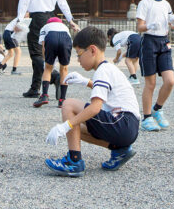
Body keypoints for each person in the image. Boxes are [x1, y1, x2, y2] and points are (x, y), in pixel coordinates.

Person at [43, 27, 140, 177]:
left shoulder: (102, 71)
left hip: (122, 122)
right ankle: (120, 150)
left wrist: (64, 126)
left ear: (92, 50)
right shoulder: (108, 68)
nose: (78, 59)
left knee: (69, 105)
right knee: (75, 129)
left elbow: (95, 108)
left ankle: (74, 162)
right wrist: (85, 82)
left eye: (79, 54)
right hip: (127, 126)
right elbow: (107, 92)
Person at [16, 0, 80, 100]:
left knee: (36, 53)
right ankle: (35, 87)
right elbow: (62, 1)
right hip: (52, 18)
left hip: (36, 18)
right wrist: (70, 20)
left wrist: (19, 19)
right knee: (44, 53)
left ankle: (55, 76)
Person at [135, 0, 174, 131]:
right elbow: (140, 27)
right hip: (149, 42)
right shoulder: (144, 3)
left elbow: (170, 23)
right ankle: (146, 118)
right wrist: (149, 26)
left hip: (164, 42)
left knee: (170, 81)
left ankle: (157, 109)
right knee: (150, 83)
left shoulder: (166, 4)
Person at [34, 17, 72, 108]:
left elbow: (43, 45)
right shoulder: (64, 26)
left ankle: (44, 96)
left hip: (51, 37)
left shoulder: (45, 27)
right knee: (64, 69)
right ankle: (62, 100)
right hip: (65, 39)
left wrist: (46, 59)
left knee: (48, 68)